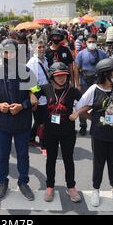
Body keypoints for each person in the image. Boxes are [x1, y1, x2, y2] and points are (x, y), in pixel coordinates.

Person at [0, 39, 38, 202]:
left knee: (23, 155)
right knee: (2, 155)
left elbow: (37, 93)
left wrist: (23, 105)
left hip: (22, 122)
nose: (9, 54)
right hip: (2, 123)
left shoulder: (26, 71)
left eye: (12, 51)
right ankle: (2, 183)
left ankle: (23, 183)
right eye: (5, 52)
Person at [71, 58, 113, 207]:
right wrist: (94, 118)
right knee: (98, 163)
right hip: (99, 134)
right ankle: (96, 190)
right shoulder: (94, 89)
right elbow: (80, 107)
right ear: (105, 73)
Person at [42, 63, 82, 203]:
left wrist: (77, 112)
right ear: (52, 76)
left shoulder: (72, 91)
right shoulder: (46, 88)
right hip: (50, 132)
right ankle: (50, 186)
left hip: (68, 132)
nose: (61, 78)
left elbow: (87, 102)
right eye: (58, 76)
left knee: (68, 159)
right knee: (51, 159)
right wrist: (32, 96)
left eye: (64, 75)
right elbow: (31, 90)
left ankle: (71, 187)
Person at [74, 34, 107, 136]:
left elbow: (106, 69)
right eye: (90, 42)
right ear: (86, 43)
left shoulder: (102, 54)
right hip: (84, 80)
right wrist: (77, 84)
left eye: (94, 41)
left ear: (97, 42)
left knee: (100, 104)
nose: (92, 44)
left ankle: (99, 123)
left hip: (98, 81)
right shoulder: (81, 54)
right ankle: (83, 125)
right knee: (83, 104)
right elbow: (76, 69)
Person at [27, 40, 49, 151]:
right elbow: (30, 82)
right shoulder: (32, 63)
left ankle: (31, 138)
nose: (41, 49)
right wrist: (35, 97)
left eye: (43, 46)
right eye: (39, 47)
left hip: (45, 94)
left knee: (41, 119)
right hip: (37, 95)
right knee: (41, 120)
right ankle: (42, 142)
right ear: (34, 49)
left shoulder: (45, 60)